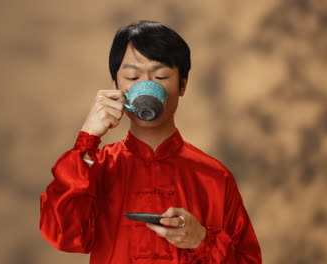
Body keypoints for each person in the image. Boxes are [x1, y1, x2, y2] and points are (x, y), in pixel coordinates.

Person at [39, 20, 262, 263]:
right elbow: (62, 234)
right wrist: (86, 140)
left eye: (161, 75)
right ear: (116, 85)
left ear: (182, 84)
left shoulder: (215, 177)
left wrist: (202, 239)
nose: (145, 86)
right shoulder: (95, 168)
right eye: (132, 77)